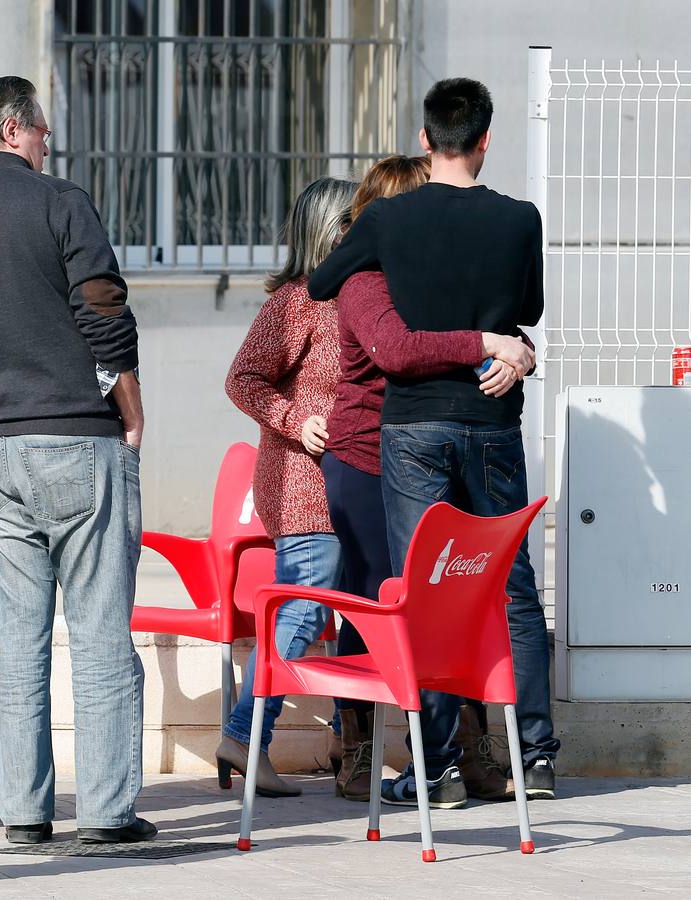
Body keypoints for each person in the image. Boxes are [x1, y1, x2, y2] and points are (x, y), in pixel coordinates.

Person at [0, 76, 152, 846]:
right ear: (13, 127)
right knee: (101, 633)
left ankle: (24, 812)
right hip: (76, 435)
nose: (48, 141)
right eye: (41, 128)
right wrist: (130, 406)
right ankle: (108, 814)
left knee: (21, 639)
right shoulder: (59, 201)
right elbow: (102, 307)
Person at [309, 78, 558, 808]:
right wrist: (503, 344)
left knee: (427, 591)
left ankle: (437, 768)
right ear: (485, 139)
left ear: (424, 139)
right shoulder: (518, 218)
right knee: (512, 588)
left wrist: (379, 251)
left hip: (412, 426)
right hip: (490, 421)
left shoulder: (388, 219)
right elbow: (529, 308)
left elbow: (324, 280)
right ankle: (536, 757)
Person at [219, 177, 355, 797]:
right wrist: (299, 422)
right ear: (330, 229)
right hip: (300, 482)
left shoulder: (355, 297)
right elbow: (243, 380)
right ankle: (246, 736)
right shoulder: (296, 301)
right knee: (303, 608)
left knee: (332, 610)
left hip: (343, 484)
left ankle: (339, 742)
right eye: (354, 222)